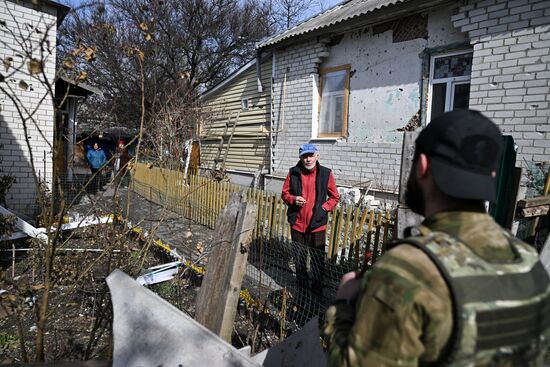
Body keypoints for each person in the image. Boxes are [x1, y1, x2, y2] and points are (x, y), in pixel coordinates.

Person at [324, 109, 550, 366]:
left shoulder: (409, 270)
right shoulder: (528, 261)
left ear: (422, 167)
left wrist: (342, 305)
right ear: (492, 177)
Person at [282, 144, 340, 313]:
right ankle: (303, 291)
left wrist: (323, 209)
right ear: (300, 158)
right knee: (299, 261)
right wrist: (293, 199)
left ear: (317, 156)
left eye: (311, 155)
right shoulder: (293, 172)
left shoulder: (326, 173)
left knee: (317, 262)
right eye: (304, 156)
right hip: (298, 225)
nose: (308, 159)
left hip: (317, 226)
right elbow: (284, 193)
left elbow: (335, 197)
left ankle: (316, 294)